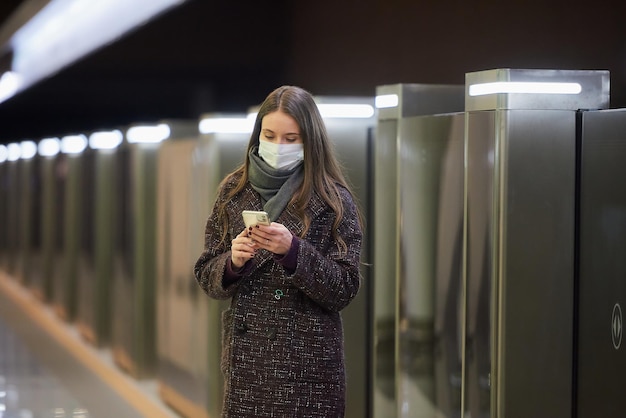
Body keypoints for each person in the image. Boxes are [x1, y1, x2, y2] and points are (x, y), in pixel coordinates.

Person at [193, 85, 363, 417]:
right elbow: (205, 272)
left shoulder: (333, 199)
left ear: (309, 141)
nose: (278, 146)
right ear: (258, 135)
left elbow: (345, 287)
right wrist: (233, 262)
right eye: (269, 135)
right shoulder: (233, 189)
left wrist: (293, 251)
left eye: (290, 139)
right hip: (249, 363)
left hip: (308, 370)